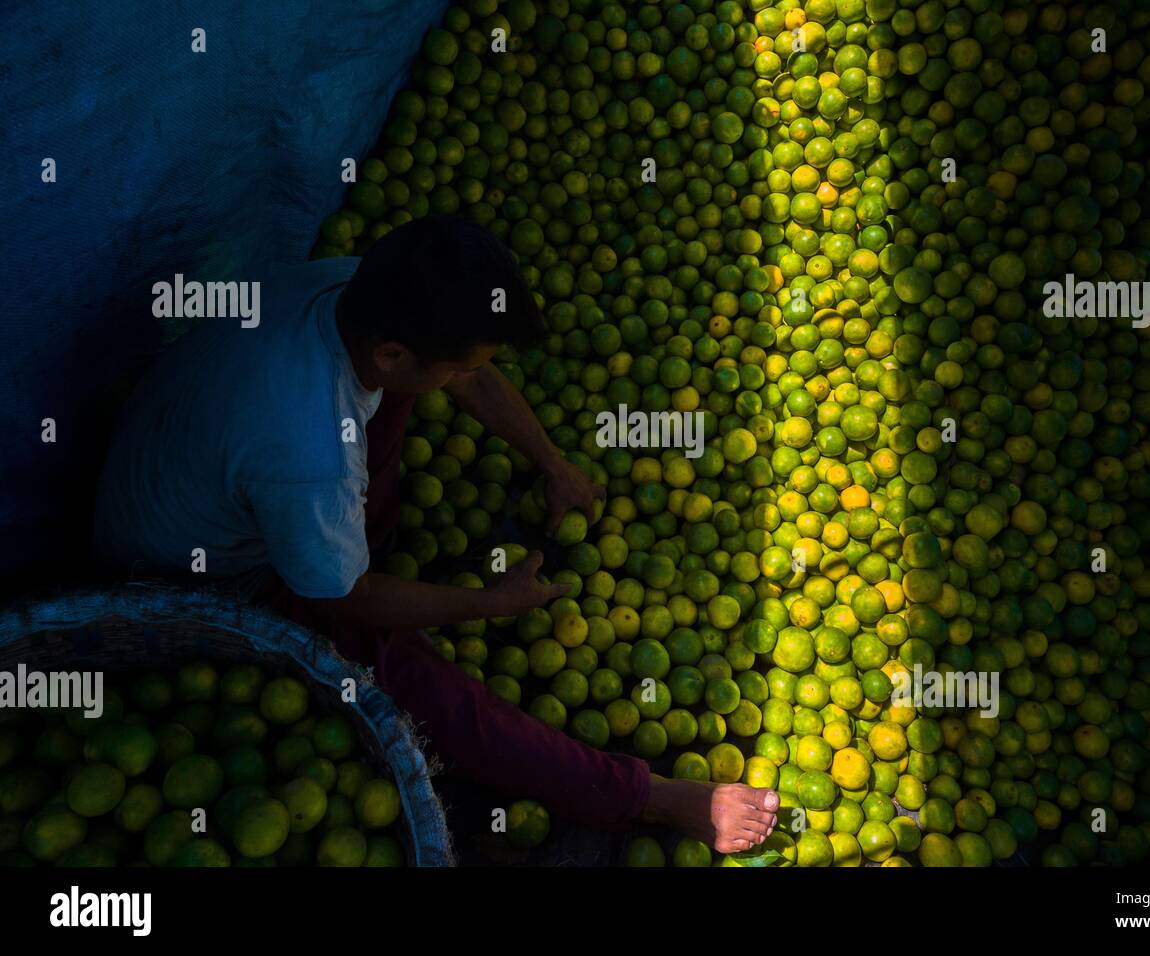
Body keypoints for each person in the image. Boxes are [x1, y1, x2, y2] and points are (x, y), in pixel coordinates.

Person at [94, 214, 778, 854]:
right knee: (407, 677)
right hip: (193, 578)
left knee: (399, 405)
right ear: (393, 351)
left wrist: (552, 464)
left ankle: (361, 533)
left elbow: (461, 380)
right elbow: (348, 600)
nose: (470, 378)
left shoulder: (351, 288)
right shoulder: (310, 455)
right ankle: (644, 795)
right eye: (462, 365)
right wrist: (490, 603)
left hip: (185, 476)